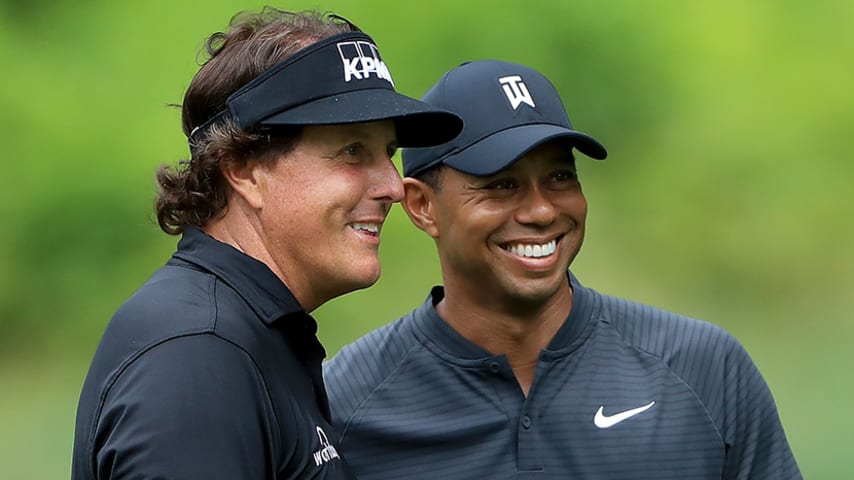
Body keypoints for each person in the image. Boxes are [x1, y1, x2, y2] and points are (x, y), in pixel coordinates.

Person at [324, 59, 802, 479]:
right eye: (502, 184)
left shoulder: (703, 368)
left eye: (559, 177)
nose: (541, 210)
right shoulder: (343, 403)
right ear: (423, 206)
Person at [71, 8, 462, 480]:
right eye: (352, 151)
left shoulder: (245, 334)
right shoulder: (197, 357)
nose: (394, 187)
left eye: (389, 153)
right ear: (243, 168)